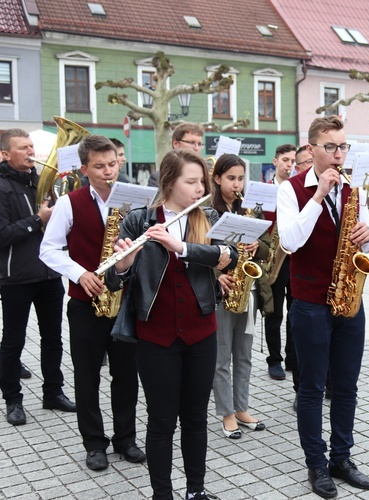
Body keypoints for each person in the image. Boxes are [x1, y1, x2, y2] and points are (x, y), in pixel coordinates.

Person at [105, 148, 236, 500]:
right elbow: (114, 284)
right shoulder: (140, 220)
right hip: (156, 336)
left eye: (201, 182)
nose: (199, 189)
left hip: (201, 333)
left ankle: (196, 491)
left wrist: (183, 247)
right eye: (190, 182)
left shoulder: (208, 216)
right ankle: (161, 494)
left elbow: (230, 257)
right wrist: (123, 264)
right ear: (168, 183)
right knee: (162, 421)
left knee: (195, 418)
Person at [277, 116, 369, 498]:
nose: (339, 155)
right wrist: (318, 197)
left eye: (343, 147)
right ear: (312, 148)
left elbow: (368, 248)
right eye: (331, 147)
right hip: (310, 302)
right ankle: (316, 464)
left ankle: (342, 457)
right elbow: (290, 241)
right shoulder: (291, 190)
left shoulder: (354, 190)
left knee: (347, 386)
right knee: (312, 388)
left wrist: (368, 238)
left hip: (349, 300)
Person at [40, 135, 144, 470]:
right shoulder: (70, 202)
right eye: (99, 167)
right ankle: (94, 444)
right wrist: (80, 273)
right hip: (87, 302)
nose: (108, 171)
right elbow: (48, 249)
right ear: (84, 169)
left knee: (127, 376)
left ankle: (126, 439)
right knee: (87, 377)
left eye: (112, 164)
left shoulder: (134, 199)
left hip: (125, 300)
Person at [0, 129, 75, 427]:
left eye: (32, 146)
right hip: (16, 276)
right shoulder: (2, 186)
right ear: (6, 154)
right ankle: (13, 400)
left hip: (48, 273)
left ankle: (53, 392)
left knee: (53, 338)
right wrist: (38, 220)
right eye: (23, 148)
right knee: (13, 341)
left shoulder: (41, 183)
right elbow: (3, 234)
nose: (31, 152)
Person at [211, 154, 269, 439]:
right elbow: (196, 249)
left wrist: (260, 244)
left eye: (240, 178)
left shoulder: (250, 210)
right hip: (222, 293)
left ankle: (242, 407)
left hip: (248, 291)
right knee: (222, 357)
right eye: (231, 178)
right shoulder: (208, 210)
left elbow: (270, 249)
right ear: (218, 178)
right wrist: (216, 274)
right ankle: (227, 412)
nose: (237, 184)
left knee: (244, 355)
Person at [264, 144, 296, 381]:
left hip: (294, 259)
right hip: (273, 258)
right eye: (285, 160)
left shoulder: (299, 189)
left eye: (293, 160)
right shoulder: (264, 190)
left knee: (295, 313)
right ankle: (274, 360)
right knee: (273, 314)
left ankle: (292, 358)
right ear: (275, 162)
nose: (289, 165)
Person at [148, 122, 205, 187]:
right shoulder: (158, 178)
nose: (196, 148)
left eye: (199, 144)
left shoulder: (207, 173)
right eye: (192, 143)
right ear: (176, 144)